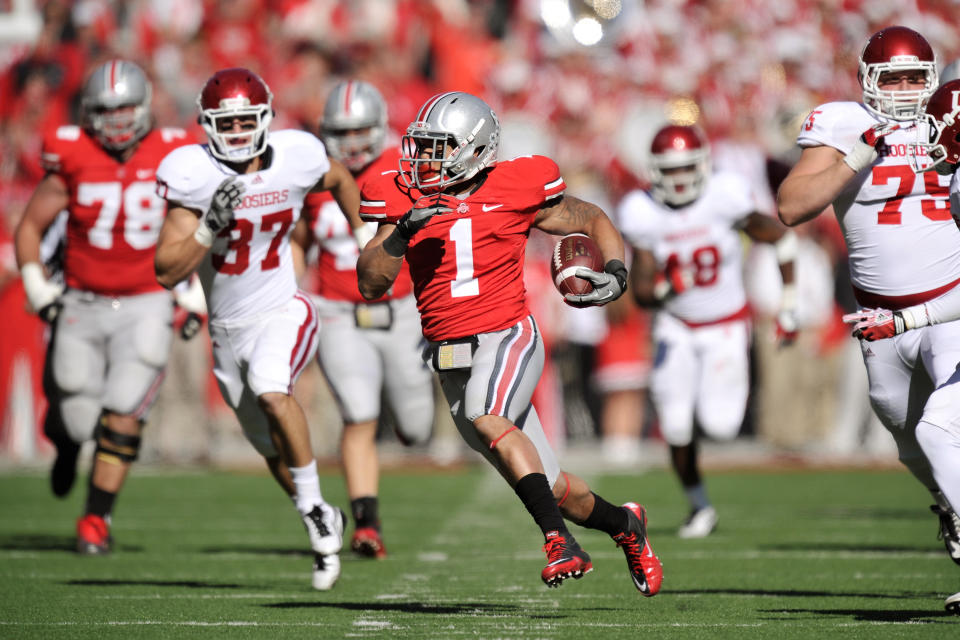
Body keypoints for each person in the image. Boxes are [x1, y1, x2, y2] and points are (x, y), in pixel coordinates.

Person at [356, 91, 663, 594]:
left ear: (475, 150)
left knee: (489, 415)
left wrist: (615, 271)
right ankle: (626, 526)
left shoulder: (516, 184)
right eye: (424, 147)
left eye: (439, 148)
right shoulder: (402, 197)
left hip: (508, 334)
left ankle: (559, 543)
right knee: (554, 486)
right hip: (449, 355)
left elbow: (591, 218)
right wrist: (397, 237)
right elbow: (370, 282)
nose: (425, 160)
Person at [776, 26, 960, 608]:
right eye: (894, 78)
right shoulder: (840, 123)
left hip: (950, 306)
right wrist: (856, 156)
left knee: (942, 432)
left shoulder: (952, 113)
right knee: (908, 440)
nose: (906, 91)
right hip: (877, 318)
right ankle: (951, 510)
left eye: (915, 78)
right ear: (867, 79)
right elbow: (791, 206)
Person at [153, 67, 357, 590]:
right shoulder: (192, 173)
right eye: (228, 121)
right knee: (270, 449)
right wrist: (206, 226)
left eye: (247, 119)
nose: (239, 130)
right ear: (206, 124)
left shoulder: (296, 154)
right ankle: (319, 513)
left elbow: (336, 177)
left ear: (265, 118)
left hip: (283, 307)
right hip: (226, 329)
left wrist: (365, 231)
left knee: (272, 389)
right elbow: (167, 269)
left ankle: (314, 506)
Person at [14, 59, 195, 555]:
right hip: (82, 298)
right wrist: (35, 282)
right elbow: (30, 226)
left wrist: (191, 291)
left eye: (125, 110)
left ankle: (95, 518)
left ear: (145, 108)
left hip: (146, 301)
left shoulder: (174, 153)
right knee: (73, 415)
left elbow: (196, 227)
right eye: (105, 112)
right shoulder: (73, 153)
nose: (116, 122)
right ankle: (67, 446)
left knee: (123, 413)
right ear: (89, 114)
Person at [621, 122, 798, 538]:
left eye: (686, 168)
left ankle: (705, 427)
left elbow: (780, 238)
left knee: (719, 426)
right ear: (654, 171)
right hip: (675, 327)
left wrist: (789, 305)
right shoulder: (641, 210)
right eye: (669, 170)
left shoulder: (726, 195)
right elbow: (642, 292)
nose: (678, 179)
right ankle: (699, 506)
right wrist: (665, 287)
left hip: (725, 325)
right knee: (677, 425)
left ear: (702, 166)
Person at [294, 80, 435, 559]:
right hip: (339, 309)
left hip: (402, 310)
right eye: (341, 131)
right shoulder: (316, 174)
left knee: (416, 429)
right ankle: (367, 524)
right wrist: (294, 287)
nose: (351, 142)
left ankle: (406, 426)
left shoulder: (406, 168)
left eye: (360, 131)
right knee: (358, 414)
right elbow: (298, 238)